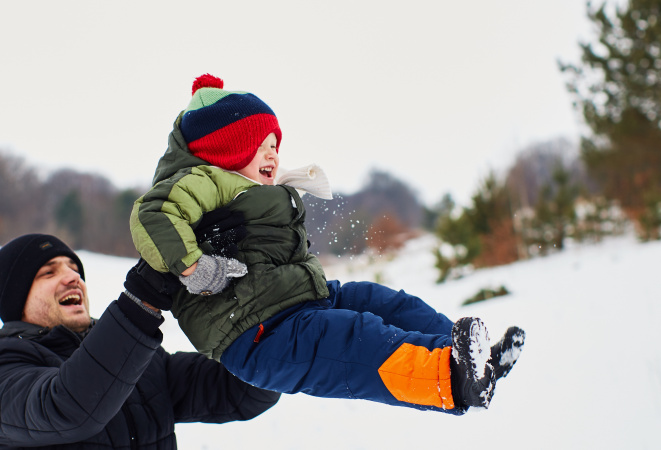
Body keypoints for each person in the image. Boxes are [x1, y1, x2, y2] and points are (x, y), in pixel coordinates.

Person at [130, 74, 526, 415]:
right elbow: (153, 215)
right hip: (255, 333)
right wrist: (195, 266)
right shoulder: (203, 181)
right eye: (260, 144)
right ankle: (448, 376)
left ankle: (464, 357)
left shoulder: (246, 184)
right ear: (225, 150)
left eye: (275, 144)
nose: (273, 153)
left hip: (298, 302)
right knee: (357, 340)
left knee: (385, 302)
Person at [0, 233, 280, 449]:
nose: (73, 277)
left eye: (75, 269)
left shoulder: (141, 358)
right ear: (16, 301)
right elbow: (70, 406)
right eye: (48, 273)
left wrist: (272, 311)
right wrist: (142, 300)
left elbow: (237, 391)